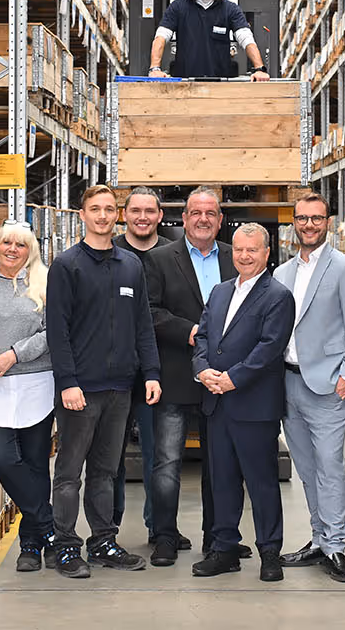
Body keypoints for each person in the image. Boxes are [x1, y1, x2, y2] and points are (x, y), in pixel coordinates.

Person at [47, 185, 164, 578]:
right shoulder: (67, 265)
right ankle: (64, 547)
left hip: (119, 388)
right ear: (82, 214)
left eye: (109, 209)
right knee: (68, 473)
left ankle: (102, 541)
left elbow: (143, 324)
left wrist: (150, 372)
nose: (102, 216)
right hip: (80, 388)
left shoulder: (130, 264)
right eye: (94, 209)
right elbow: (57, 331)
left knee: (106, 471)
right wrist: (67, 382)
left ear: (118, 215)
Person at [190, 224, 296, 582]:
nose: (245, 256)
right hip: (217, 402)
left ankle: (270, 552)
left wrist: (232, 378)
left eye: (253, 250)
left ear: (267, 253)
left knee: (261, 482)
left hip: (253, 406)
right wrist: (203, 370)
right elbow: (203, 336)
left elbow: (269, 348)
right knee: (222, 481)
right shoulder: (220, 292)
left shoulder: (277, 295)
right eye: (239, 250)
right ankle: (224, 549)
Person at [271, 191, 345, 584]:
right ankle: (317, 539)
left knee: (330, 467)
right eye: (302, 218)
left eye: (316, 218)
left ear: (327, 221)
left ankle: (335, 546)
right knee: (307, 468)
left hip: (328, 385)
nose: (308, 224)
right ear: (294, 222)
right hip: (287, 382)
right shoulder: (282, 273)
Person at [141, 186, 238, 566]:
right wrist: (193, 331)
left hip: (224, 380)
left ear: (220, 219)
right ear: (183, 219)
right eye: (195, 212)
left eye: (210, 213)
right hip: (177, 375)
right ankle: (164, 537)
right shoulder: (161, 259)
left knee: (221, 464)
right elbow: (150, 312)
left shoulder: (236, 257)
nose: (202, 219)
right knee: (166, 463)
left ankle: (218, 539)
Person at [0, 223, 59, 574]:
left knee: (36, 464)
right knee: (3, 459)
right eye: (6, 241)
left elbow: (55, 330)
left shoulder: (45, 280)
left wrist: (15, 355)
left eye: (21, 244)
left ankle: (31, 545)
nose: (12, 248)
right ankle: (49, 527)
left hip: (35, 381)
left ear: (30, 249)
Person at [114, 187, 166, 552]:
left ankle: (158, 526)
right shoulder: (110, 251)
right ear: (125, 214)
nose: (143, 216)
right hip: (113, 371)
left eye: (150, 210)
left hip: (157, 371)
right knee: (110, 456)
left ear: (160, 216)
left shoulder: (173, 252)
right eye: (136, 210)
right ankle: (108, 528)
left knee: (157, 454)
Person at [147, 0, 270, 80]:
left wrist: (259, 68)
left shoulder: (230, 9)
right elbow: (161, 37)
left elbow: (246, 39)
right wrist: (155, 68)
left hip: (221, 89)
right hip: (184, 87)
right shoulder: (177, 8)